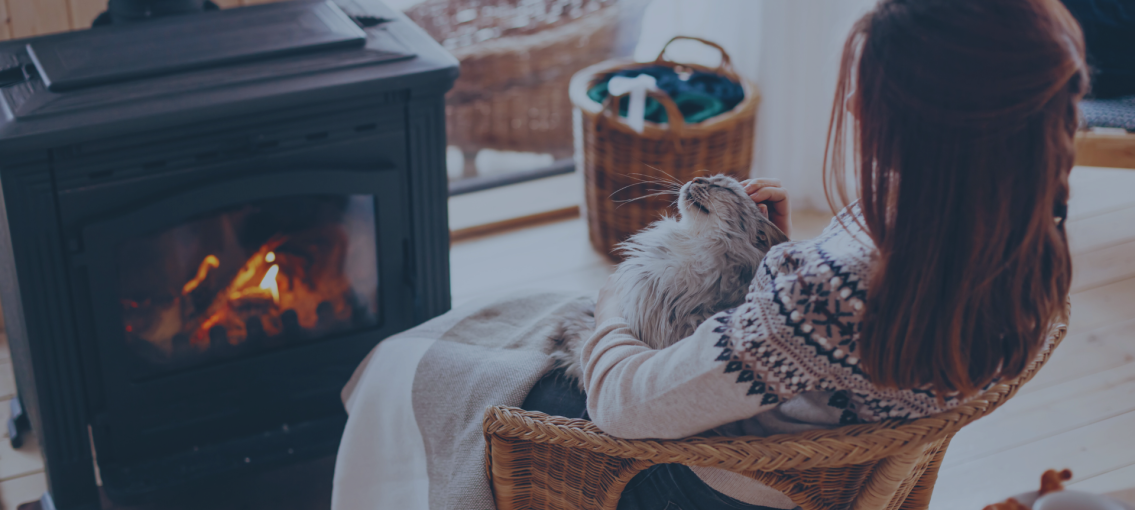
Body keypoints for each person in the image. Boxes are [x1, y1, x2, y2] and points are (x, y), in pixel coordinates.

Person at [526, 0, 1083, 508]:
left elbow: (622, 406)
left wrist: (611, 308)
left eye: (872, 90)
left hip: (722, 485)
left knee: (506, 375)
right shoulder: (1027, 242)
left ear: (933, 123)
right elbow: (842, 352)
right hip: (834, 474)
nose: (854, 106)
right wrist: (783, 262)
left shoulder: (828, 294)